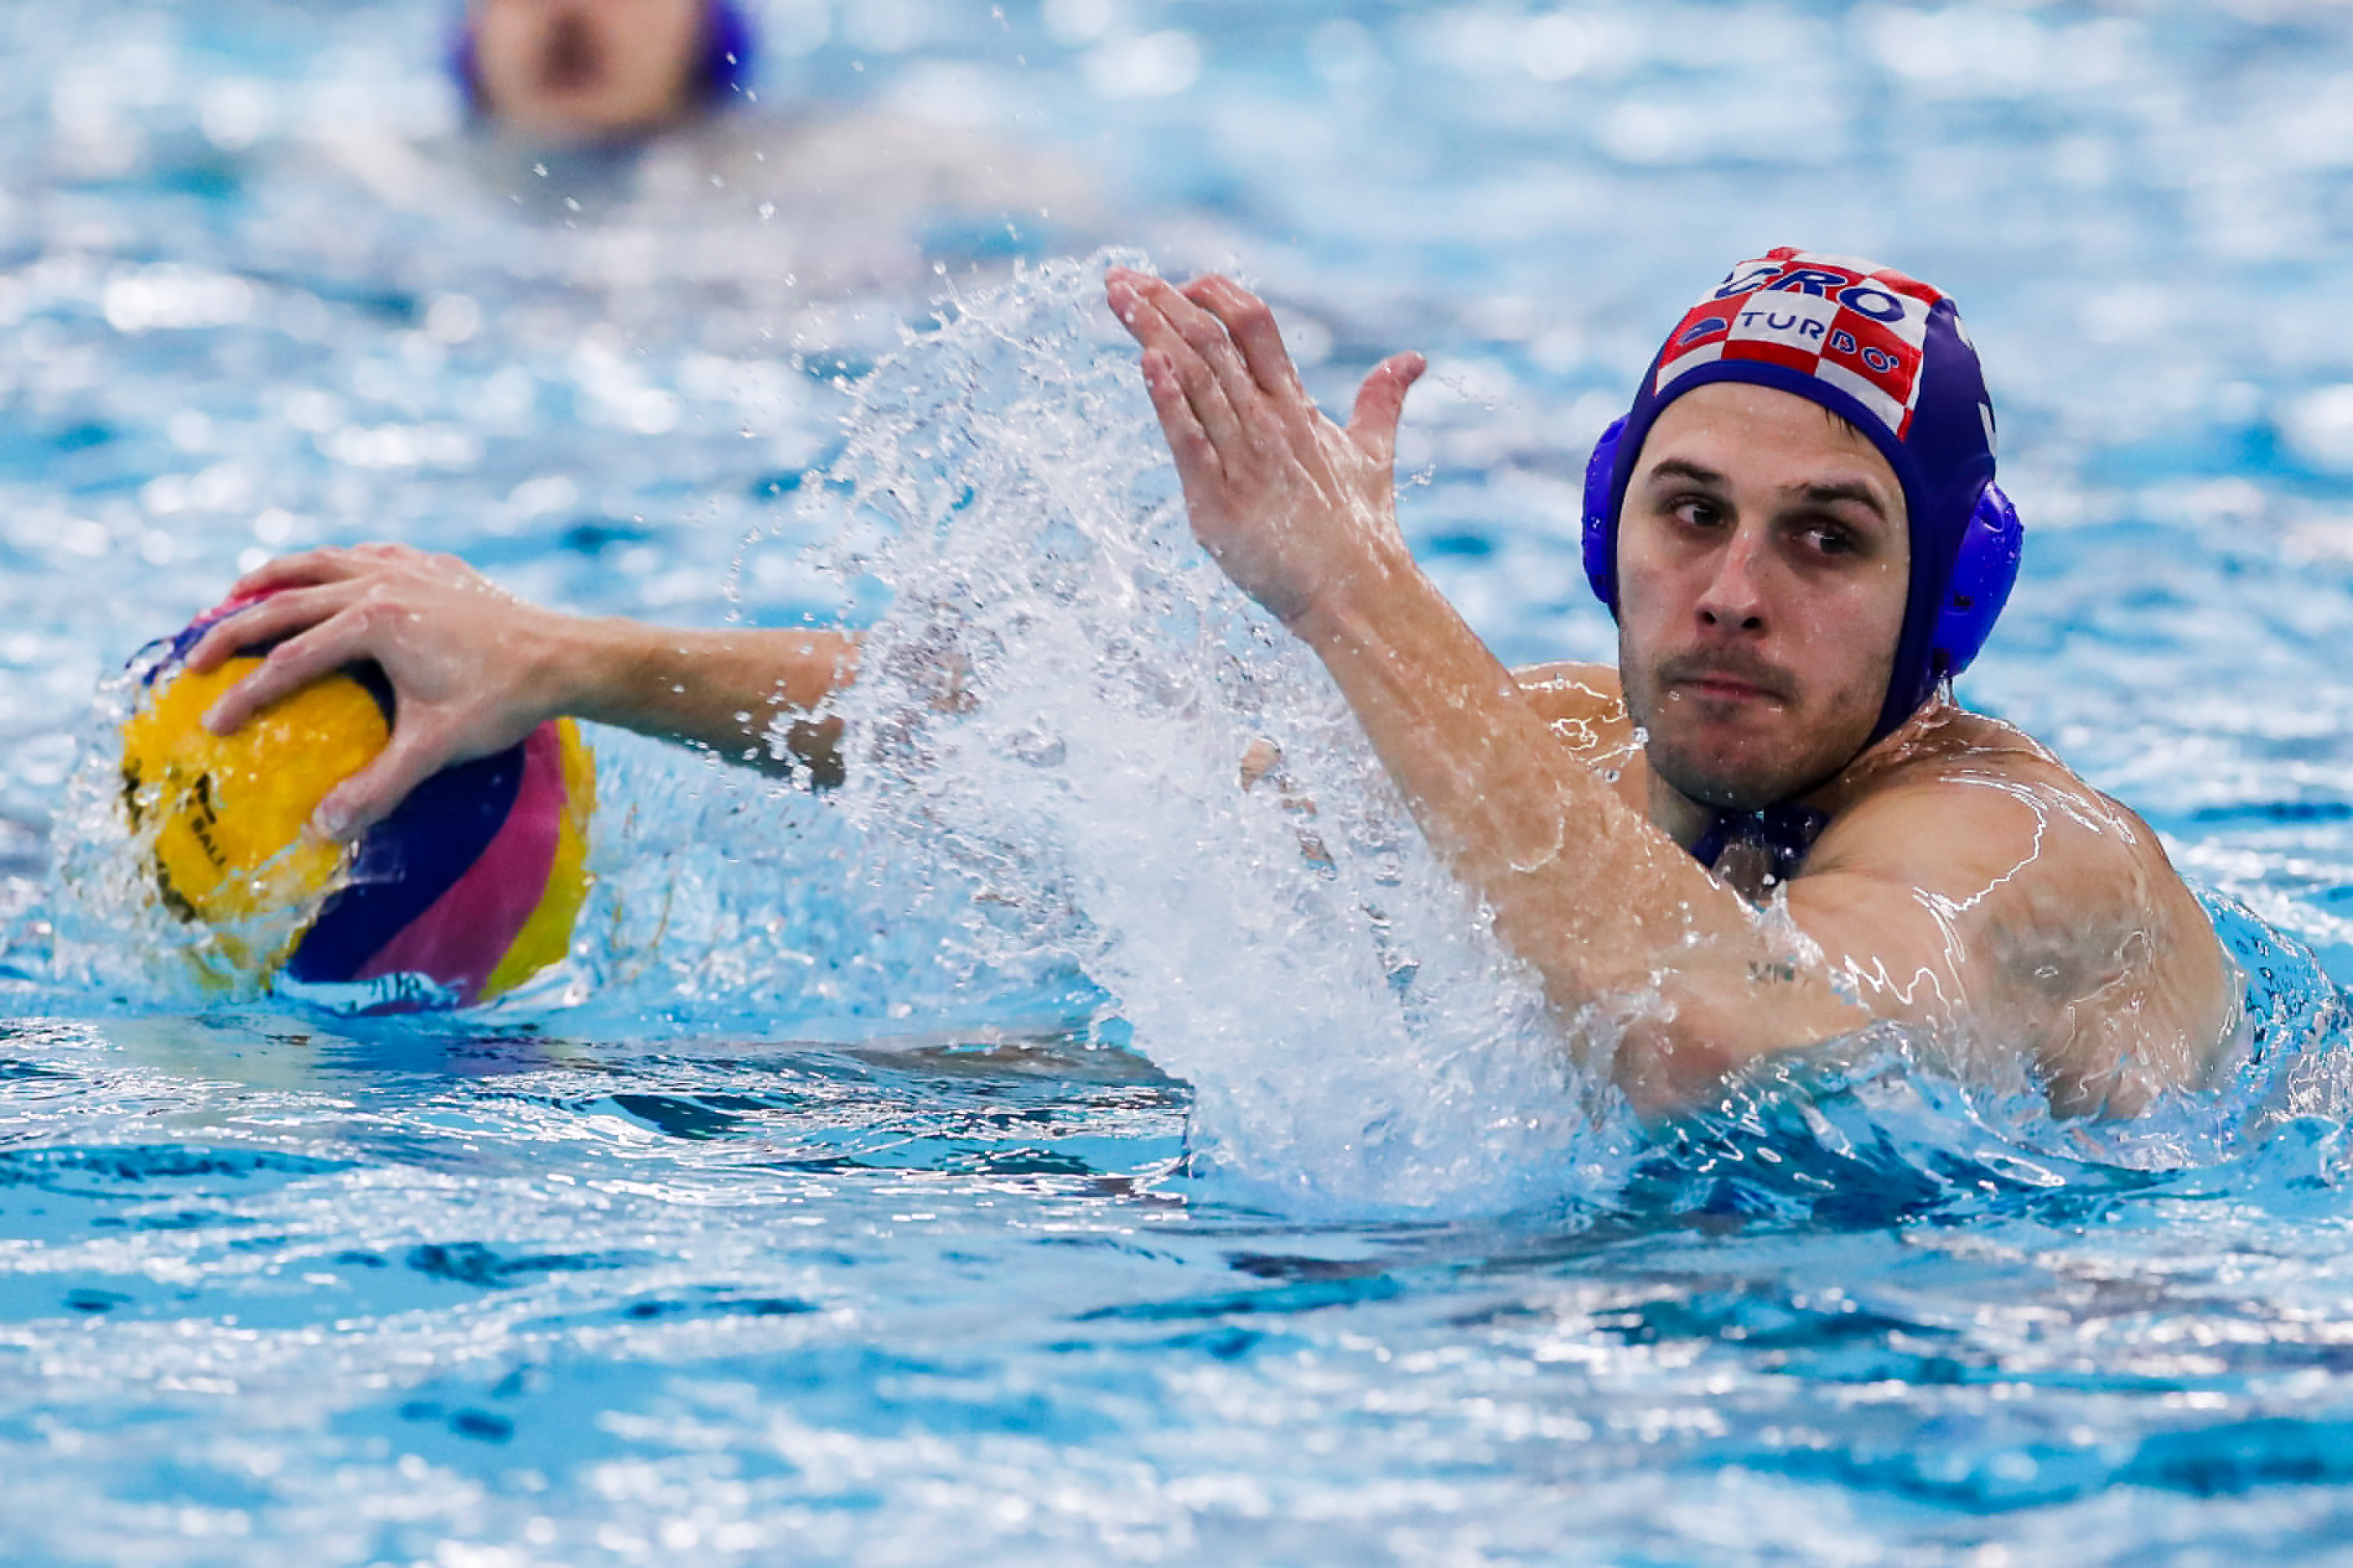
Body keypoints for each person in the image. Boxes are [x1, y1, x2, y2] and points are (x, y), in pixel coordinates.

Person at [187, 248, 2236, 1120]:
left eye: (1827, 539)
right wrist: (572, 657)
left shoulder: (2013, 851)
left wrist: (1344, 596)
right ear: (1608, 526)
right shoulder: (1580, 755)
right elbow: (1074, 766)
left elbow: (1729, 1042)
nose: (1732, 592)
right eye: (1688, 514)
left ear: (1948, 598)